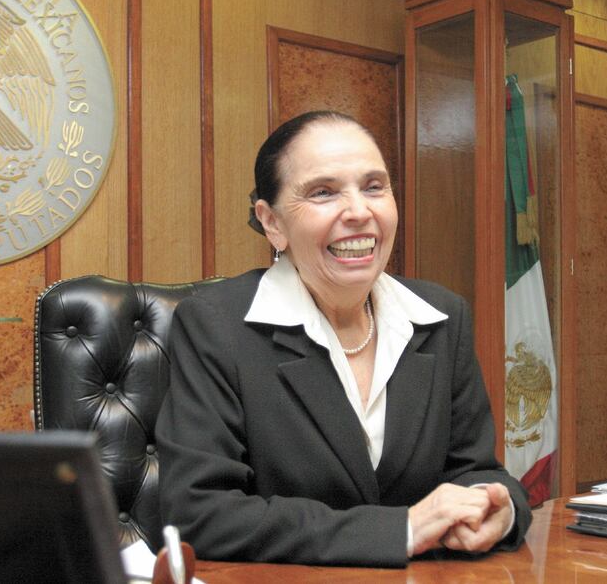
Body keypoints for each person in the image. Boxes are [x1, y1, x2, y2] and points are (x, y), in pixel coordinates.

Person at [156, 111, 532, 567]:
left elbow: (476, 471)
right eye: (323, 192)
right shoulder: (217, 327)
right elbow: (200, 514)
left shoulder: (441, 317)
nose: (359, 212)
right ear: (272, 223)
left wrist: (500, 510)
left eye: (374, 187)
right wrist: (401, 530)